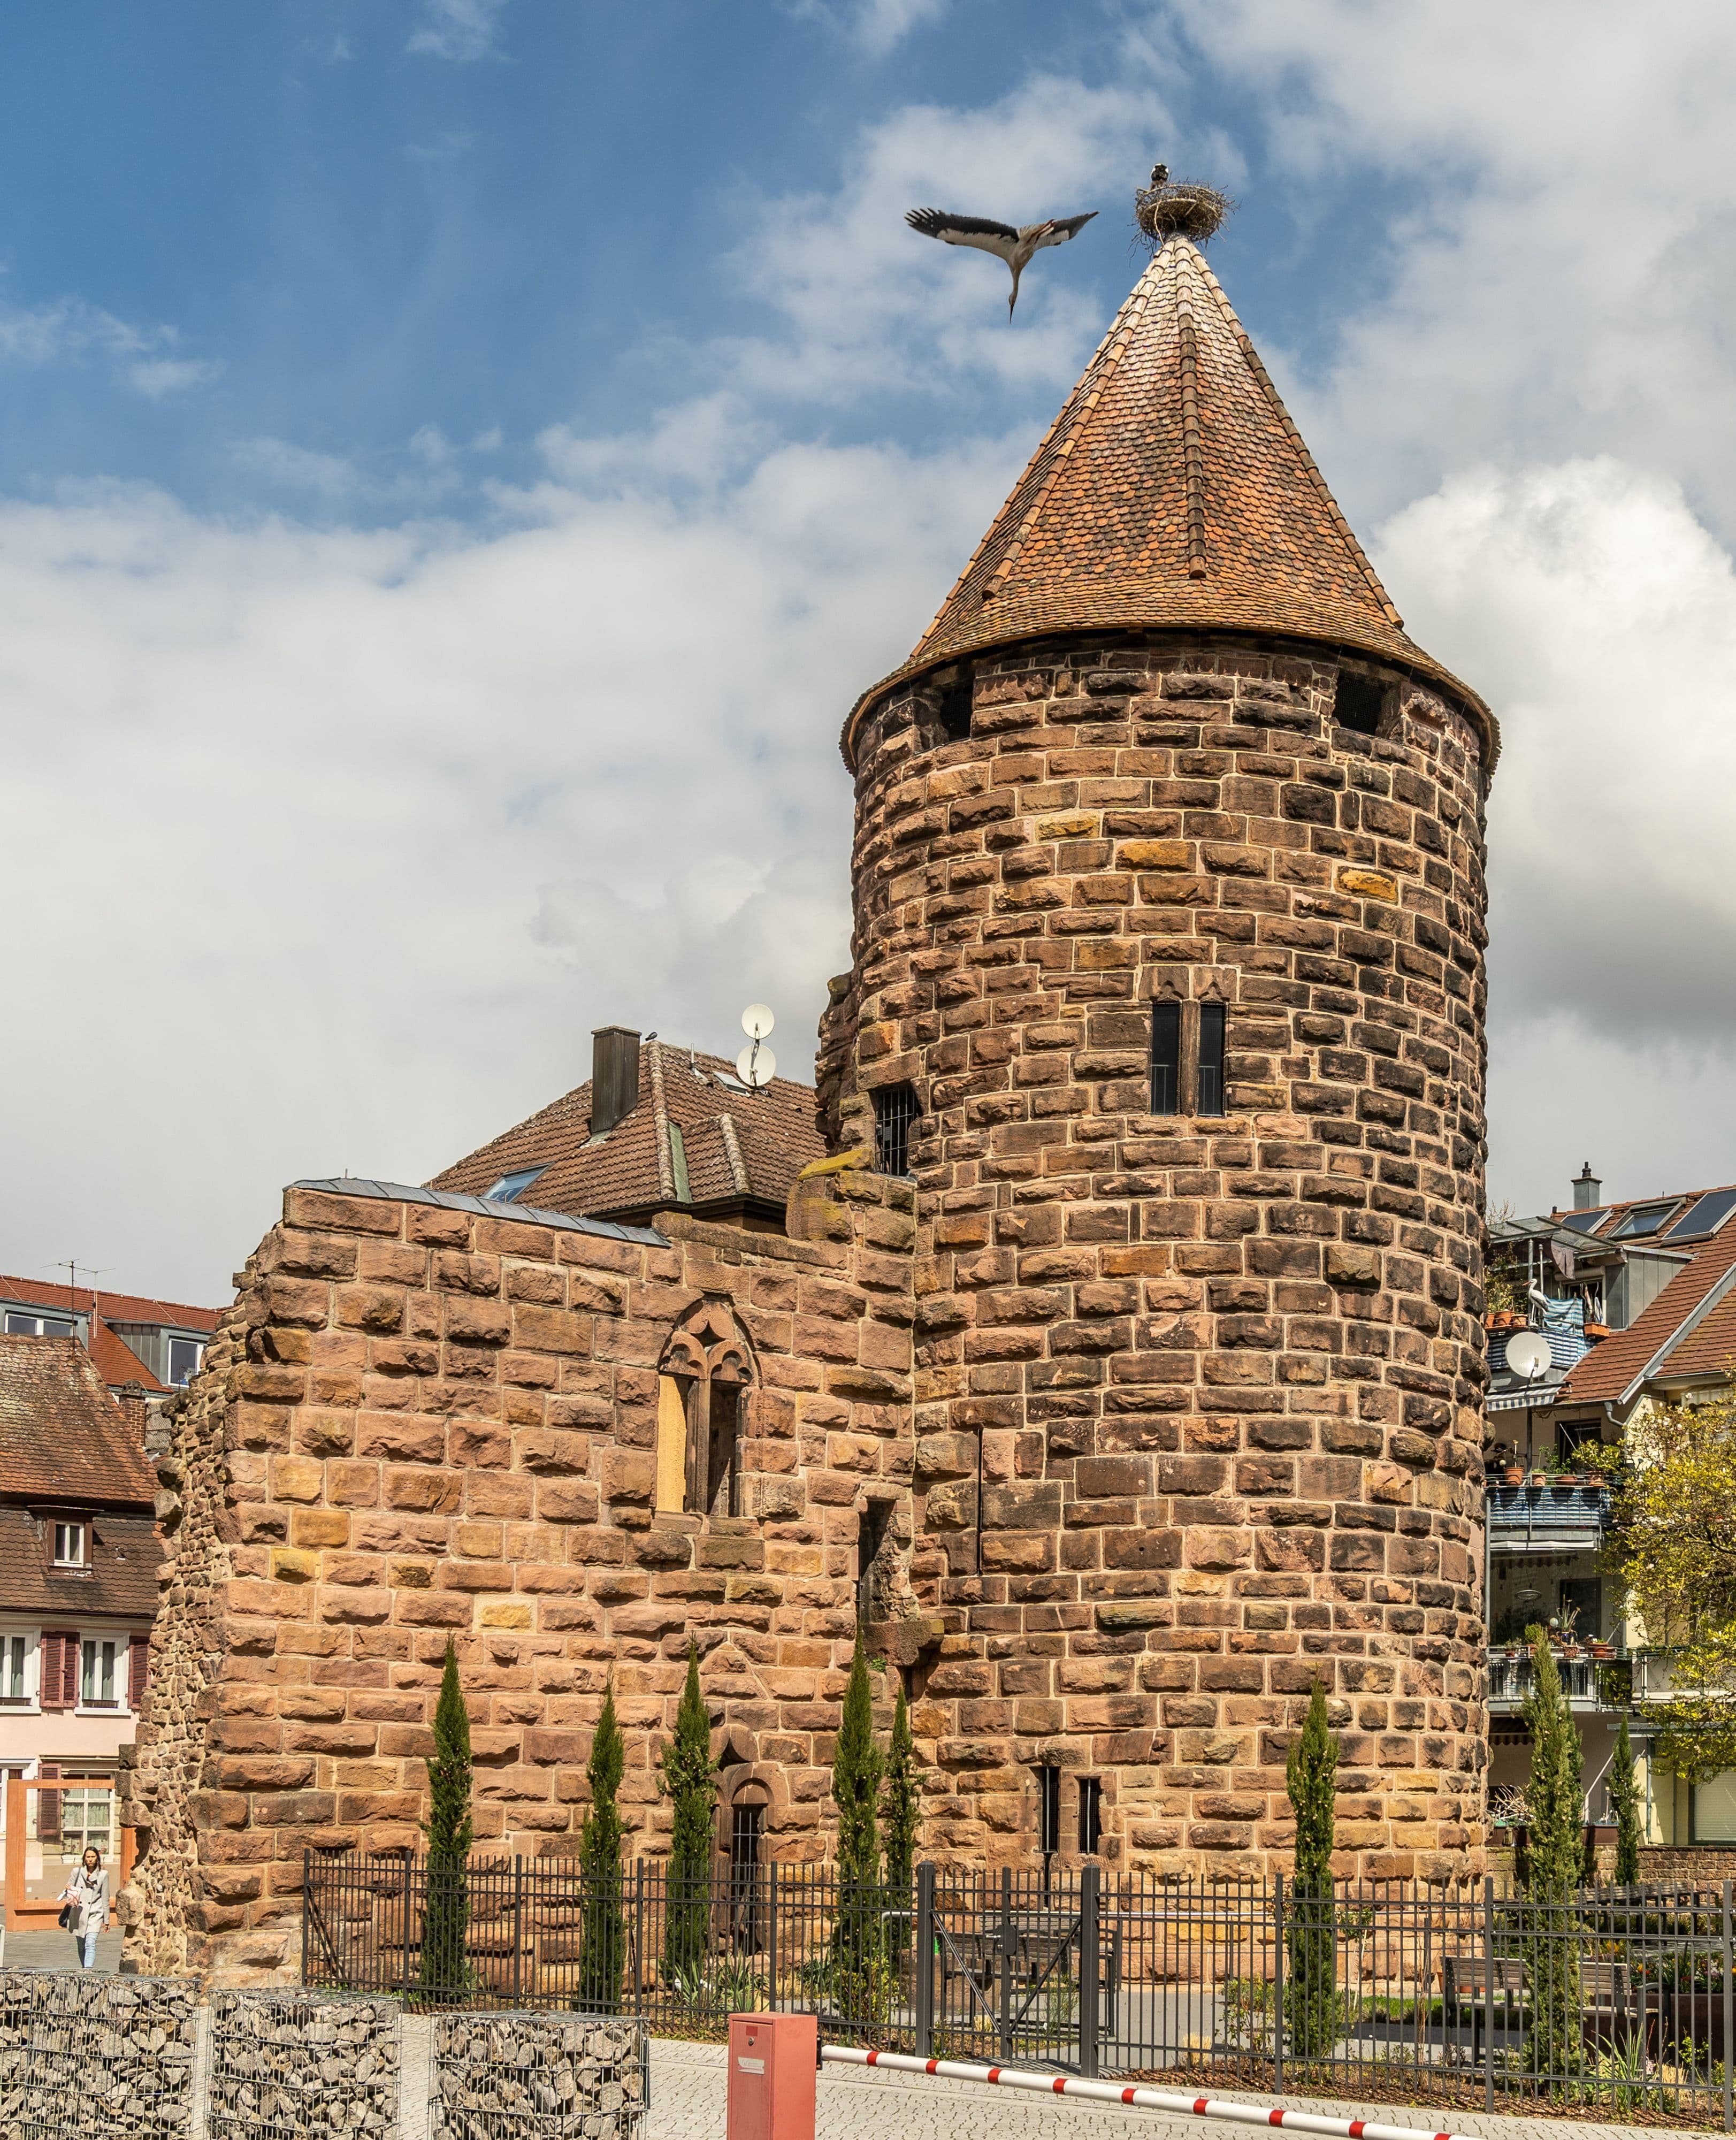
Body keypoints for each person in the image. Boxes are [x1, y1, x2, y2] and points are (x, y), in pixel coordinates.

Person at [59, 1846, 107, 1969]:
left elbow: (105, 1897)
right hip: (79, 1913)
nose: (90, 1859)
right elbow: (68, 1891)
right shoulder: (77, 1872)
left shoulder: (104, 1875)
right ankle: (84, 1968)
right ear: (84, 1859)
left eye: (93, 1857)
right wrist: (67, 1890)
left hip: (95, 1914)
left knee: (90, 1943)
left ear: (97, 1858)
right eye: (88, 1857)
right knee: (81, 1945)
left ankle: (88, 1970)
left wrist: (107, 1920)